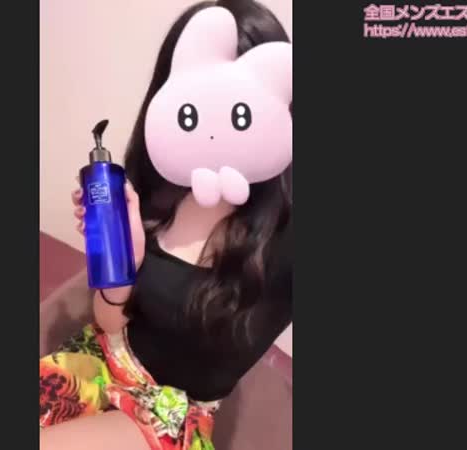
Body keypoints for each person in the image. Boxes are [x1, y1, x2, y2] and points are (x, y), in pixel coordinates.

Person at [40, 1, 292, 449]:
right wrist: (122, 264)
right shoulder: (159, 182)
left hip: (171, 412)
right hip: (101, 358)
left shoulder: (284, 235)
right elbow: (110, 324)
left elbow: (213, 369)